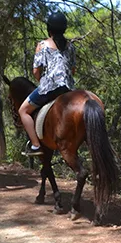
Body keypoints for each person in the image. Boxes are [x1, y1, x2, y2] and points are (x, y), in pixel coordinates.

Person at [17, 12, 76, 156]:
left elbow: (36, 71)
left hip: (49, 87)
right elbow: (72, 70)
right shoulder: (71, 46)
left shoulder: (42, 45)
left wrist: (42, 82)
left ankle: (36, 145)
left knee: (23, 111)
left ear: (48, 28)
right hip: (68, 88)